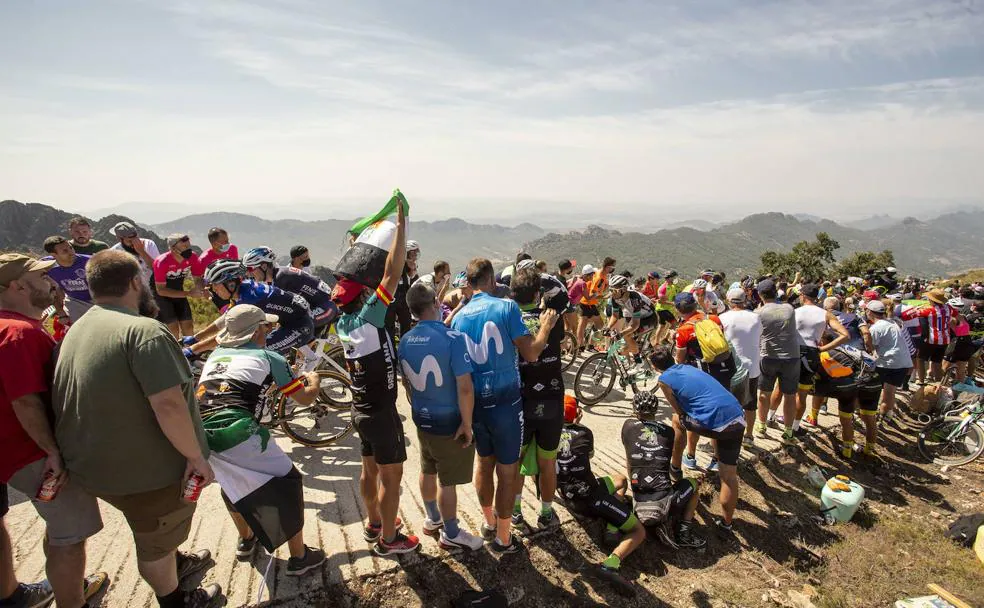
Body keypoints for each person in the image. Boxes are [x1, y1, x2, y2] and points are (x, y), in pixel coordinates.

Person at [51, 250, 221, 608]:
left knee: (154, 530)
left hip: (93, 465)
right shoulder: (144, 332)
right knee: (154, 539)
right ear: (134, 283)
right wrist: (195, 457)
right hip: (145, 475)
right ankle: (175, 598)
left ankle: (175, 561)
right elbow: (169, 404)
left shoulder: (79, 328)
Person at [0, 253, 109, 608]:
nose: (51, 282)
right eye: (41, 277)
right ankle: (71, 600)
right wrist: (52, 451)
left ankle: (32, 592)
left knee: (59, 531)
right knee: (70, 537)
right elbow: (26, 401)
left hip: (12, 451)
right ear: (17, 286)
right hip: (30, 451)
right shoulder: (19, 334)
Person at [195, 305, 326, 574]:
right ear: (257, 331)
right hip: (238, 427)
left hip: (200, 430)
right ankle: (300, 557)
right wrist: (315, 381)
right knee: (288, 482)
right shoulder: (269, 357)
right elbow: (303, 398)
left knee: (232, 483)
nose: (269, 330)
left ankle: (246, 539)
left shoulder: (215, 355)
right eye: (266, 326)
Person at [450, 258, 558, 554]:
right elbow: (532, 353)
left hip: (476, 403)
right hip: (507, 404)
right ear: (488, 279)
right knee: (507, 473)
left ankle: (488, 522)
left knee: (483, 464)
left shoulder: (459, 318)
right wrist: (546, 328)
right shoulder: (506, 307)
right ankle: (503, 538)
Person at [332, 201, 419, 555]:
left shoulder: (344, 324)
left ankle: (373, 522)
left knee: (368, 470)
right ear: (364, 297)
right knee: (392, 478)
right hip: (382, 413)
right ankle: (389, 539)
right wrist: (400, 227)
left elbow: (360, 285)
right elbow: (392, 273)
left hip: (360, 410)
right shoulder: (370, 317)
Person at [397, 282, 485, 552]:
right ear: (436, 303)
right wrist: (468, 424)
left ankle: (432, 518)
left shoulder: (405, 340)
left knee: (427, 468)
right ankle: (452, 532)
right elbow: (465, 387)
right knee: (448, 481)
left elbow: (407, 384)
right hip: (450, 422)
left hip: (422, 417)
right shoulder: (452, 339)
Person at [650, 345, 745, 531]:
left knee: (677, 420)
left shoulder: (664, 380)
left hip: (717, 424)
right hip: (737, 416)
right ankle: (727, 523)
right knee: (729, 476)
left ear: (654, 366)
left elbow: (678, 409)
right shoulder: (689, 367)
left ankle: (675, 468)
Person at [556, 397, 644, 597]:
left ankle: (613, 527)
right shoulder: (584, 433)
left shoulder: (547, 434)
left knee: (620, 480)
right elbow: (589, 455)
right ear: (577, 414)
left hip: (568, 494)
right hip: (591, 498)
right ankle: (610, 564)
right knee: (638, 531)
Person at [509, 268, 568, 533]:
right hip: (552, 397)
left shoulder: (509, 321)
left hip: (520, 400)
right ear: (537, 294)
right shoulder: (553, 319)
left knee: (517, 460)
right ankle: (546, 514)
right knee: (547, 462)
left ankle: (515, 514)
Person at [622, 391, 706, 550]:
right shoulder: (668, 432)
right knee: (694, 485)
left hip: (638, 498)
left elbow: (629, 459)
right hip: (665, 503)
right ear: (656, 410)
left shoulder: (627, 427)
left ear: (635, 410)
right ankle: (683, 533)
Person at [187, 260, 314, 356]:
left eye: (215, 285)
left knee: (254, 354)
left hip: (299, 327)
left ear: (230, 284)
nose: (213, 290)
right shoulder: (241, 290)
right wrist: (196, 337)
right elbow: (226, 319)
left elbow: (227, 334)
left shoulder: (249, 299)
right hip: (288, 322)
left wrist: (193, 350)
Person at [241, 247, 338, 332]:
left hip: (325, 306)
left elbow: (286, 308)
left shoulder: (281, 278)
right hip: (317, 305)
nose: (248, 274)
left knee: (294, 329)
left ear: (264, 266)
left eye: (250, 269)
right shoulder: (277, 276)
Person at [811, 339, 879, 458]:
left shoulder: (826, 353)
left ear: (823, 342)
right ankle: (869, 451)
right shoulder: (847, 349)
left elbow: (823, 381)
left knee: (846, 419)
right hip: (874, 380)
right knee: (870, 419)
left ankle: (847, 452)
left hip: (852, 385)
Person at [794, 284, 848, 434]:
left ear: (803, 296)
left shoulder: (795, 312)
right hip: (812, 353)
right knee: (802, 394)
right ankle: (794, 427)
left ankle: (777, 420)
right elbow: (845, 335)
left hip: (794, 352)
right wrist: (823, 349)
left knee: (786, 390)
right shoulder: (825, 314)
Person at [755, 279, 800, 445]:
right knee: (789, 395)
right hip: (791, 357)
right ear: (775, 291)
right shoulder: (789, 309)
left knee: (763, 393)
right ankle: (788, 432)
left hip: (768, 356)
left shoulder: (758, 313)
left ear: (760, 295)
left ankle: (761, 426)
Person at [720, 287, 763, 446]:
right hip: (752, 367)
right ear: (745, 300)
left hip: (730, 368)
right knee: (750, 403)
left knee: (727, 403)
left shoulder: (722, 318)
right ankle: (749, 436)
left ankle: (724, 437)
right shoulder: (756, 318)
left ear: (728, 301)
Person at [673, 292, 736, 388]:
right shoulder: (714, 318)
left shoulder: (683, 330)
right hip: (725, 366)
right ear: (695, 305)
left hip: (703, 372)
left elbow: (679, 359)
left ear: (678, 310)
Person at [866, 300, 913, 424]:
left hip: (888, 363)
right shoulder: (893, 322)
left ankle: (876, 418)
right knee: (890, 391)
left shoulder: (876, 328)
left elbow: (871, 347)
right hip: (903, 362)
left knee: (876, 390)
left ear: (869, 312)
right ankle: (887, 415)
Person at [153, 234, 205, 339]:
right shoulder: (161, 262)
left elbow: (198, 278)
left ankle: (190, 352)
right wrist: (189, 293)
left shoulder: (192, 257)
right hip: (162, 296)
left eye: (189, 246)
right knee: (173, 329)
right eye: (185, 247)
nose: (188, 250)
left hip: (179, 293)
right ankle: (174, 353)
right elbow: (161, 290)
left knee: (188, 326)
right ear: (173, 248)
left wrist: (200, 290)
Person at [607, 274, 657, 374]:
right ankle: (633, 351)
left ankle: (638, 361)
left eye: (615, 290)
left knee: (627, 335)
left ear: (624, 289)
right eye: (611, 290)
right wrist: (607, 327)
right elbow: (615, 316)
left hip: (649, 318)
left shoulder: (634, 299)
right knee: (624, 345)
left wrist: (621, 334)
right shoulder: (615, 297)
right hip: (633, 314)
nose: (612, 293)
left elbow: (635, 325)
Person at [901, 289, 953, 384]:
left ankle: (921, 381)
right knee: (937, 362)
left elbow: (909, 314)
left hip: (932, 339)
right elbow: (956, 317)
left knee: (920, 359)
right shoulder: (948, 308)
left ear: (932, 300)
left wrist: (916, 307)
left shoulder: (929, 310)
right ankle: (939, 384)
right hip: (945, 339)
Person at [41, 236, 93, 323]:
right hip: (75, 300)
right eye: (65, 251)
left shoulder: (89, 261)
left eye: (71, 248)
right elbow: (52, 291)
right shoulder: (46, 267)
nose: (71, 252)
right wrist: (61, 313)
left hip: (98, 298)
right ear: (54, 255)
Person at [576, 257, 614, 351]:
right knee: (599, 324)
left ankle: (580, 346)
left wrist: (606, 287)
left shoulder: (601, 274)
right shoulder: (599, 278)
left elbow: (599, 291)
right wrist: (604, 296)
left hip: (587, 302)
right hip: (588, 303)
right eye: (612, 267)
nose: (612, 269)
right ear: (607, 267)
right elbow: (592, 294)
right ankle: (587, 345)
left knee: (583, 325)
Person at [384, 241, 418, 344]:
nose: (414, 256)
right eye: (412, 253)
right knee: (389, 326)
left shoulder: (411, 265)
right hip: (391, 297)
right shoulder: (395, 261)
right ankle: (390, 349)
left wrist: (412, 269)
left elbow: (413, 280)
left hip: (403, 298)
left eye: (416, 253)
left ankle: (405, 345)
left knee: (406, 323)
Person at [109, 221, 160, 286]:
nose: (134, 243)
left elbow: (158, 269)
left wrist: (142, 252)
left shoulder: (149, 244)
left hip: (152, 287)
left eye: (136, 238)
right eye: (129, 241)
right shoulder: (114, 252)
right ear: (119, 239)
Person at [943, 298, 974, 383]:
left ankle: (938, 391)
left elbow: (951, 332)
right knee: (960, 372)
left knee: (943, 369)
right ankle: (958, 392)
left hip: (956, 344)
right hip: (967, 343)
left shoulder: (952, 319)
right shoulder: (963, 317)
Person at [654, 270, 680, 345]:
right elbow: (660, 301)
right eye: (674, 277)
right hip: (662, 309)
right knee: (674, 323)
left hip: (667, 309)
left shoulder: (673, 286)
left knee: (662, 325)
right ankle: (665, 339)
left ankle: (656, 342)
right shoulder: (663, 288)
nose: (675, 279)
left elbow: (675, 296)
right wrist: (672, 303)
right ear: (670, 278)